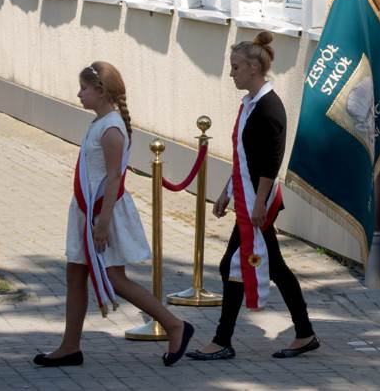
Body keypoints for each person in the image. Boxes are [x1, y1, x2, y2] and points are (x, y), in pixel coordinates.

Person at [34, 61, 193, 368]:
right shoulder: (100, 122)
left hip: (103, 213)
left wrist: (103, 221)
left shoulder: (111, 129)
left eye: (83, 88)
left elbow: (113, 178)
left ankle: (174, 325)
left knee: (114, 278)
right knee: (75, 274)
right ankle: (70, 346)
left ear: (101, 91)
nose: (79, 94)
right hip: (87, 211)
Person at [188, 32, 319, 361]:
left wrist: (259, 203)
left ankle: (222, 340)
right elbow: (244, 158)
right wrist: (226, 191)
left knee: (233, 265)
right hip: (248, 197)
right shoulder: (251, 103)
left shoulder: (268, 108)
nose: (231, 73)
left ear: (254, 68)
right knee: (271, 266)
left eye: (235, 67)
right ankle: (304, 333)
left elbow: (270, 163)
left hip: (259, 202)